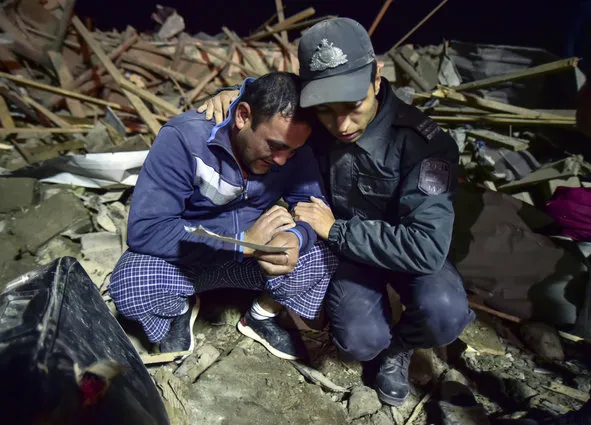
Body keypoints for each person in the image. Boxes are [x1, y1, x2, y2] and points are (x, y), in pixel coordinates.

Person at [198, 17, 475, 406]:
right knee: (360, 342)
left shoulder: (425, 144)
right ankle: (378, 344)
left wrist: (335, 231)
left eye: (354, 104)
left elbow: (427, 247)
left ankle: (400, 349)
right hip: (350, 257)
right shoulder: (316, 117)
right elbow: (272, 99)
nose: (341, 124)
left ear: (376, 79)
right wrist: (234, 96)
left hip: (405, 251)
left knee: (444, 312)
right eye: (326, 109)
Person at [109, 72, 339, 362]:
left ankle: (260, 315)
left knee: (326, 253)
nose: (282, 160)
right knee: (128, 283)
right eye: (275, 146)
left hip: (256, 259)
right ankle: (179, 310)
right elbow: (146, 230)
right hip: (191, 258)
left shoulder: (293, 148)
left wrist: (295, 237)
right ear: (243, 116)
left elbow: (314, 207)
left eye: (292, 151)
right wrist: (238, 243)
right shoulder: (184, 139)